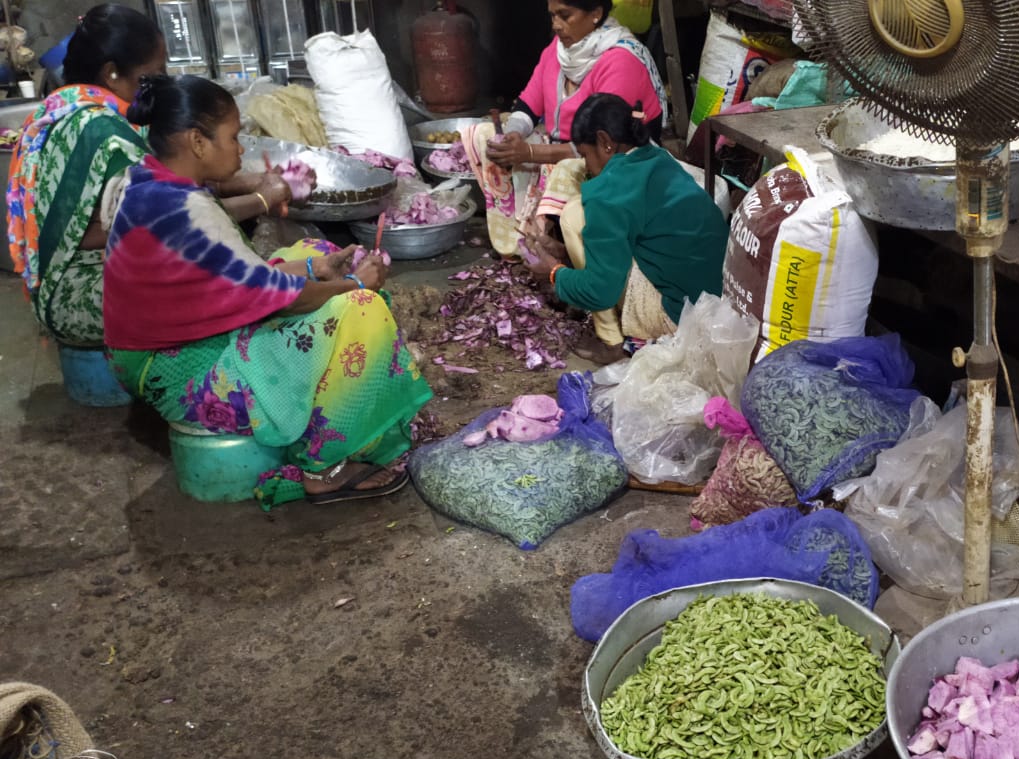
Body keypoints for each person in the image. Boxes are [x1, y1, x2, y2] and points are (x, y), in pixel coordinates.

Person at [103, 75, 432, 508]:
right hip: (176, 370)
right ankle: (325, 468)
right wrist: (352, 284)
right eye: (233, 137)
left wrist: (316, 267)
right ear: (197, 142)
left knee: (316, 250)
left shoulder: (149, 180)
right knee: (359, 310)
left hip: (155, 348)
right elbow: (282, 295)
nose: (240, 149)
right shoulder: (186, 211)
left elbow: (222, 272)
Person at [6, 3, 295, 348]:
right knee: (219, 283)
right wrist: (263, 198)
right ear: (112, 73)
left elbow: (166, 182)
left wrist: (250, 182)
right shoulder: (103, 132)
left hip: (52, 283)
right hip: (77, 294)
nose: (157, 87)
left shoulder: (65, 106)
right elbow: (175, 221)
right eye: (150, 76)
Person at [526, 93, 729, 364]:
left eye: (585, 155)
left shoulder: (609, 192)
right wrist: (564, 253)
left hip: (682, 316)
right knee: (584, 216)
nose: (586, 165)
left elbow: (601, 291)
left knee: (574, 214)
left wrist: (553, 272)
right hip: (720, 301)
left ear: (605, 143)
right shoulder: (658, 157)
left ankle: (611, 343)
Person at [461, 0, 666, 255]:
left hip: (613, 155)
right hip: (561, 146)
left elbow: (605, 144)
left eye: (565, 16)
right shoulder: (557, 52)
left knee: (569, 168)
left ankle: (562, 247)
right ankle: (515, 239)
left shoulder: (621, 60)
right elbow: (528, 105)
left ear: (596, 14)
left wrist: (530, 153)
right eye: (552, 16)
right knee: (486, 134)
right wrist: (513, 134)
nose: (556, 25)